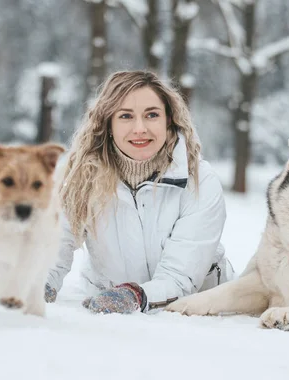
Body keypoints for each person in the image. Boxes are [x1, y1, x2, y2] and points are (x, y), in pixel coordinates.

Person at [45, 70, 232, 314]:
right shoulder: (82, 176)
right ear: (108, 124)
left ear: (168, 120)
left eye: (152, 115)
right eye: (125, 116)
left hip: (198, 315)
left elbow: (180, 277)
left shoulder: (199, 181)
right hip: (107, 315)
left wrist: (135, 296)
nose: (140, 128)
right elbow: (55, 243)